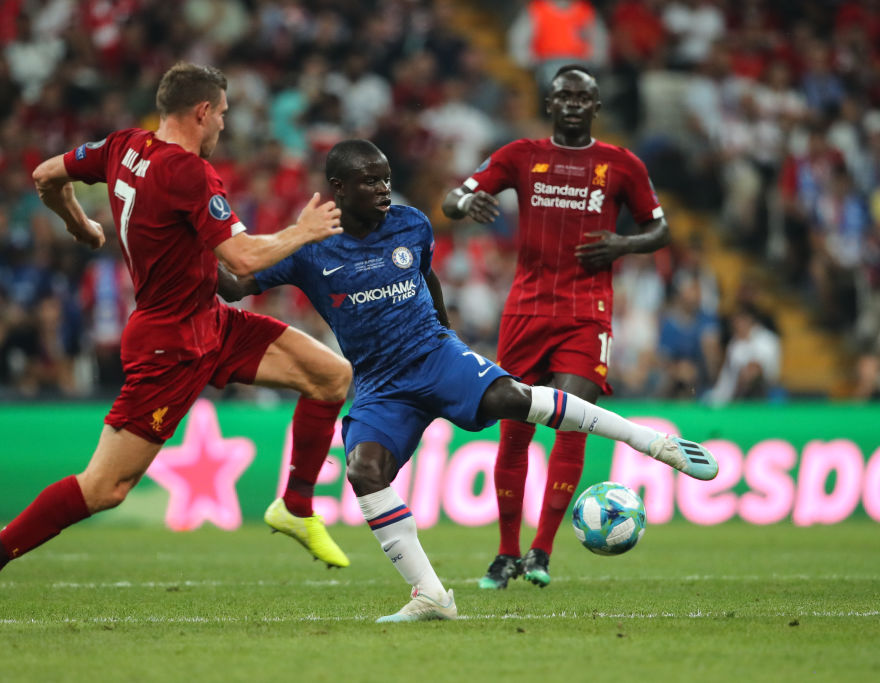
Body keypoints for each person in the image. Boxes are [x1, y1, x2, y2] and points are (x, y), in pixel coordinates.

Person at [220, 139, 718, 622]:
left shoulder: (411, 223)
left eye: (386, 179)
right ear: (338, 188)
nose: (383, 189)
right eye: (370, 181)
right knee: (363, 469)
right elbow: (237, 284)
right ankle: (431, 595)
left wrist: (447, 335)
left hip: (434, 354)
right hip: (380, 383)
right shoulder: (308, 247)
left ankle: (654, 443)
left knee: (513, 397)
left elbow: (426, 275)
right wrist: (197, 247)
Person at [0, 62, 354, 635]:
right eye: (222, 114)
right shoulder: (189, 173)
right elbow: (241, 260)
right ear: (202, 112)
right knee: (105, 487)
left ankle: (295, 506)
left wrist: (80, 225)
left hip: (209, 321)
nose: (224, 125)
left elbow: (45, 175)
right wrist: (304, 231)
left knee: (331, 376)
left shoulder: (122, 146)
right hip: (170, 344)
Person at [441, 65, 673, 590]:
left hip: (586, 314)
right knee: (515, 430)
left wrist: (623, 244)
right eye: (563, 95)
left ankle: (541, 551)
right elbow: (453, 199)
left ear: (596, 107)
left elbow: (659, 229)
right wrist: (468, 202)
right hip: (525, 312)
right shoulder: (520, 155)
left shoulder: (621, 164)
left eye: (581, 97)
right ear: (549, 103)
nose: (571, 103)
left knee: (573, 422)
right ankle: (506, 553)